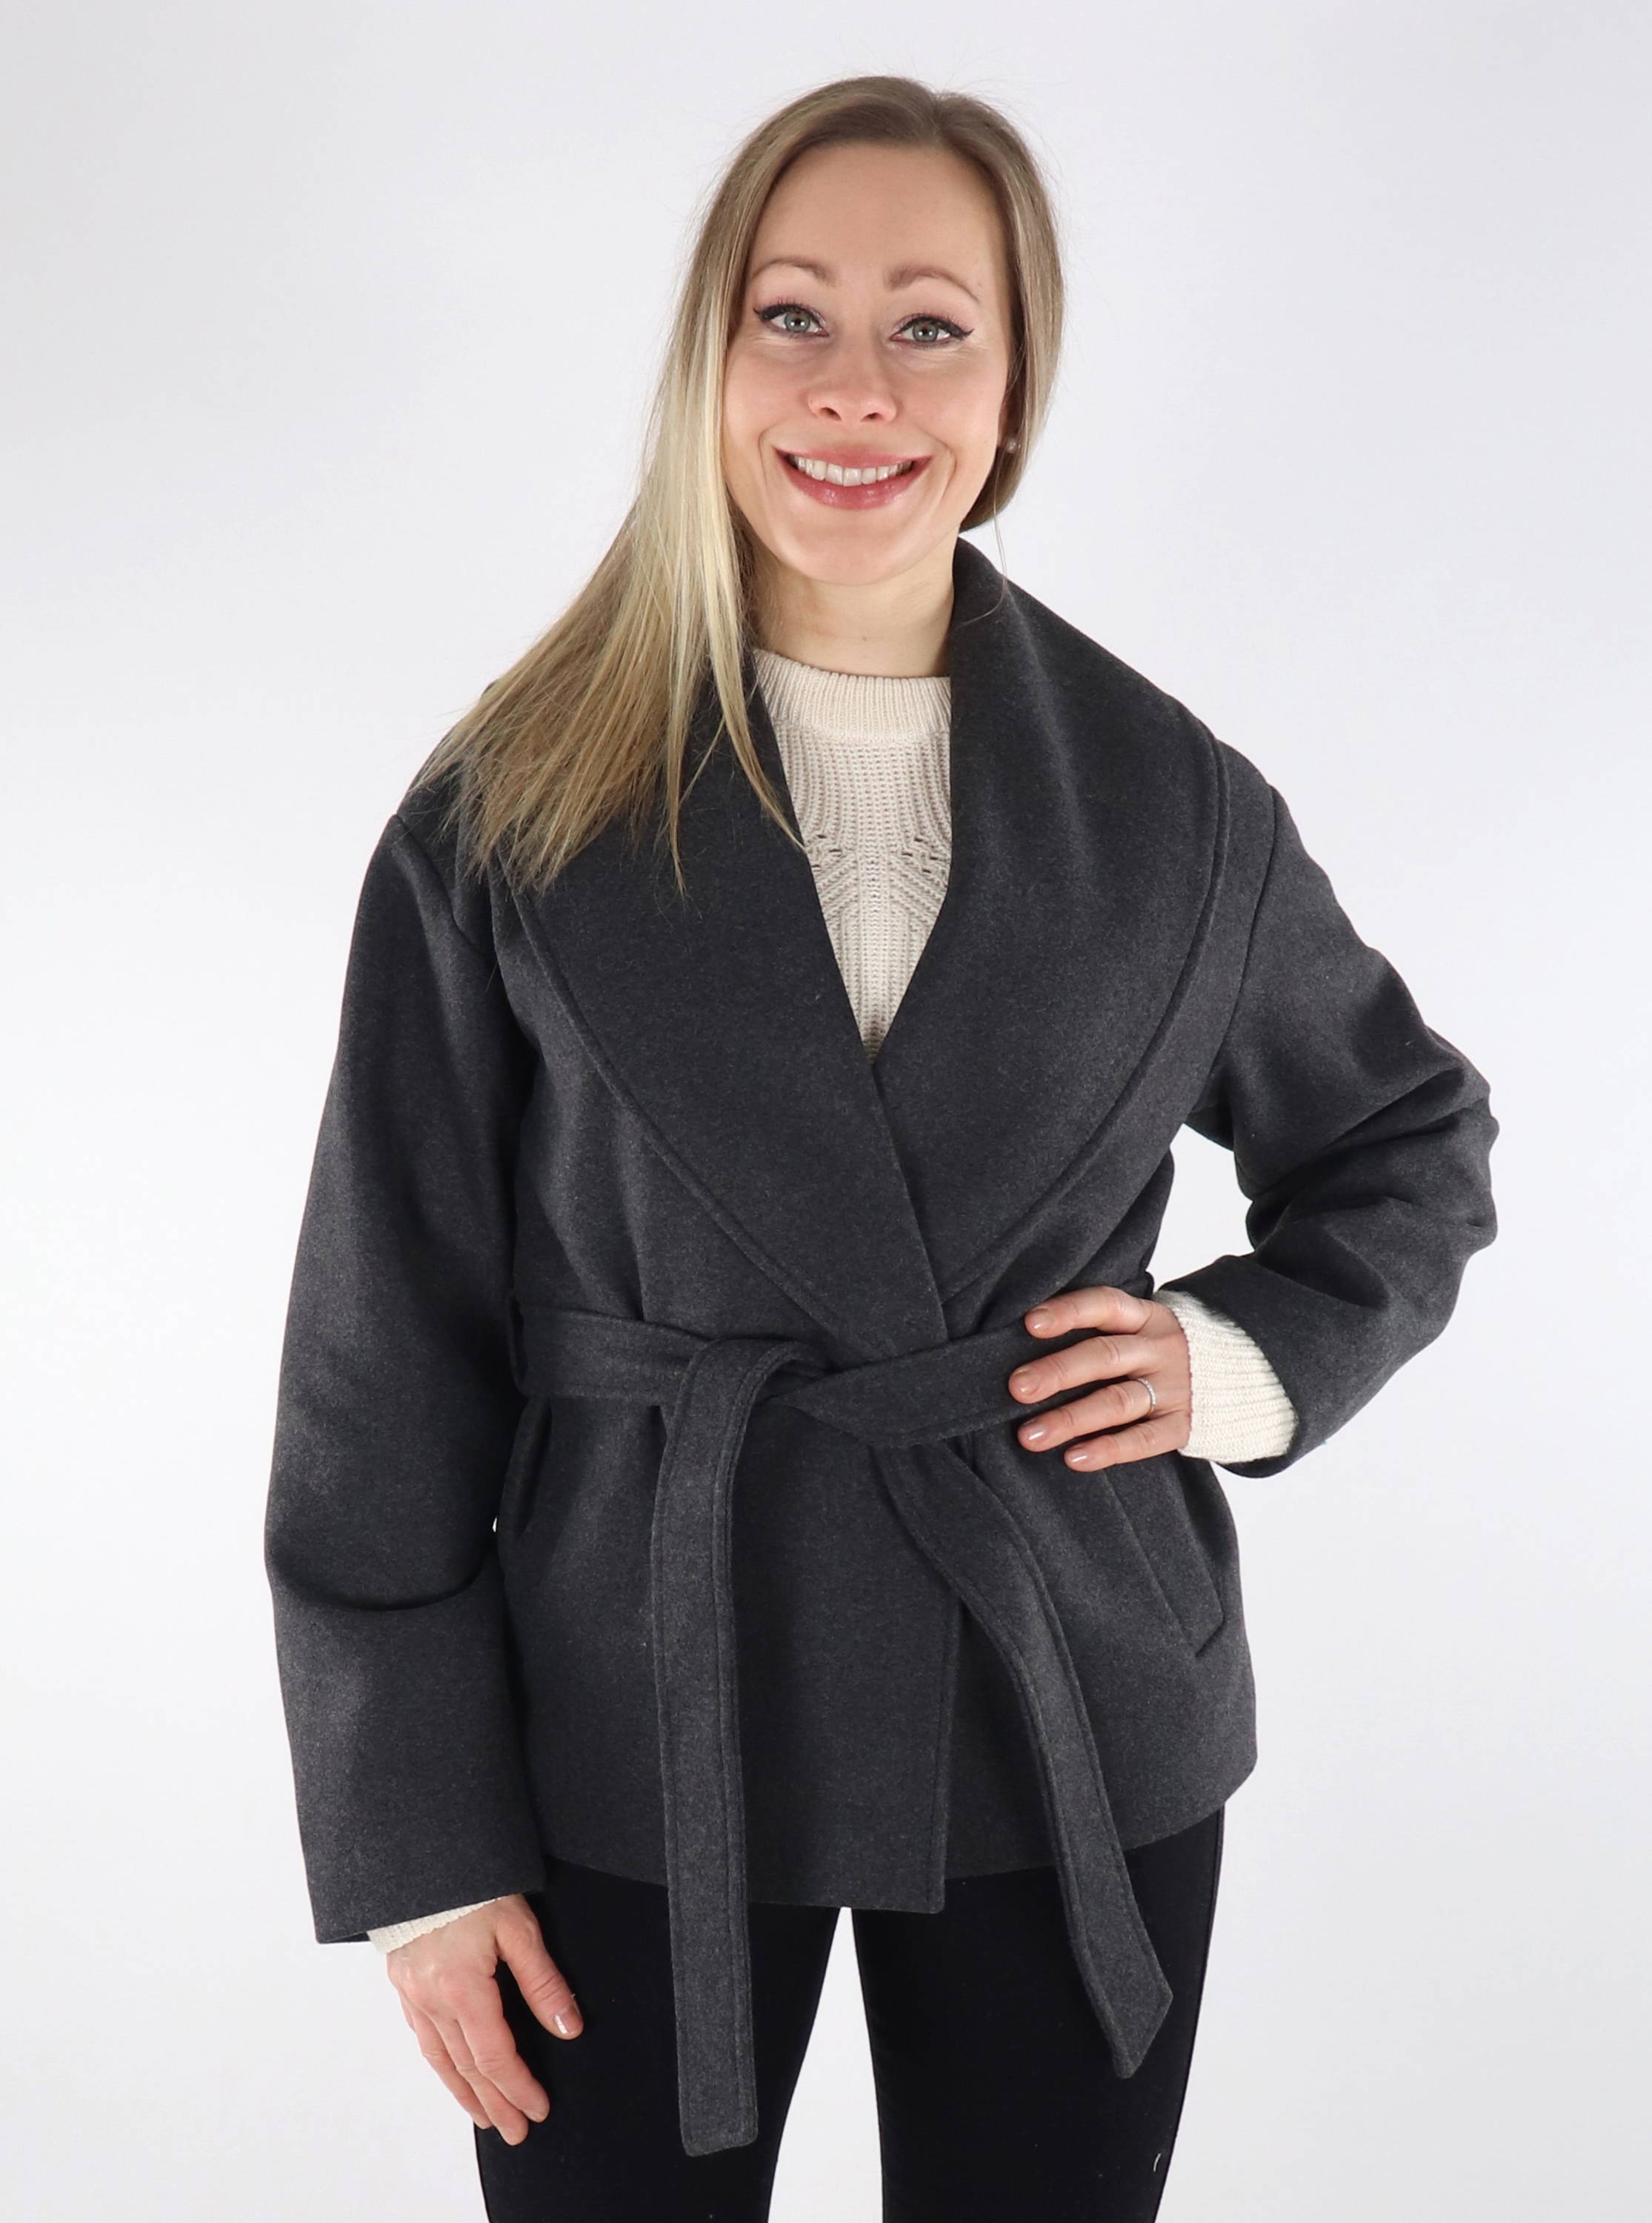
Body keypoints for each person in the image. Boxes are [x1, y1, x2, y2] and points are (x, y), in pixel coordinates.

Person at [264, 74, 1499, 2222]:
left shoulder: (1175, 807)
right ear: (709, 363)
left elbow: (1407, 1136)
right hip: (624, 1706)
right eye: (793, 316)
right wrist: (423, 1846)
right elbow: (385, 1354)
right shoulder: (509, 811)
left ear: (1013, 394)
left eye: (932, 326)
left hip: (1069, 1695)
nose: (858, 387)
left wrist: (1233, 1363)